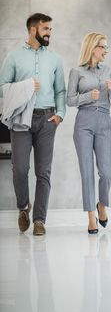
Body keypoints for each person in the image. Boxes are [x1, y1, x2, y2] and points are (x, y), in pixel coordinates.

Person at [0, 13, 66, 235]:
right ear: (32, 30)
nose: (49, 33)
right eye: (46, 29)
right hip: (20, 118)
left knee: (43, 172)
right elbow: (2, 87)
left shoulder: (55, 59)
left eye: (50, 29)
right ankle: (23, 207)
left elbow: (60, 90)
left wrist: (60, 115)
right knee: (19, 169)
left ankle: (39, 220)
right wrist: (26, 86)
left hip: (47, 119)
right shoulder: (14, 57)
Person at [67, 32, 111, 234]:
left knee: (106, 171)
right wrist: (89, 96)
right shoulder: (76, 71)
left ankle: (102, 206)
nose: (106, 51)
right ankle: (91, 216)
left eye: (107, 47)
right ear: (92, 48)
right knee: (87, 171)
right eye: (103, 47)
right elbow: (70, 100)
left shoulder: (109, 71)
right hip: (84, 123)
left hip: (104, 122)